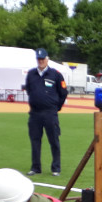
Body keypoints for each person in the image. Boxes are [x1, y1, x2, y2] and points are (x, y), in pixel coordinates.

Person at [24, 48, 68, 176]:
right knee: (35, 140)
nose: (41, 61)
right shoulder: (31, 74)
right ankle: (35, 167)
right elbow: (29, 90)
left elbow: (63, 93)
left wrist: (56, 107)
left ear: (47, 59)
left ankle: (56, 168)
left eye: (43, 59)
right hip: (35, 113)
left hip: (50, 113)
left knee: (54, 140)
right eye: (39, 59)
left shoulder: (55, 74)